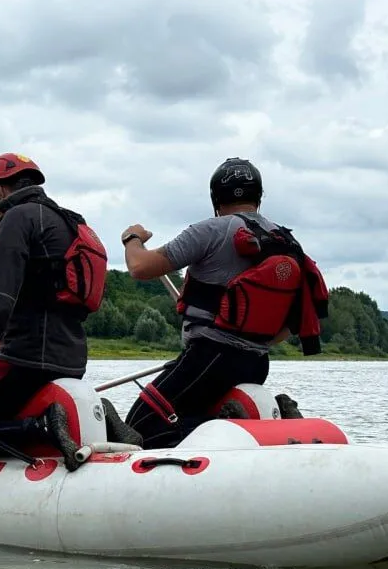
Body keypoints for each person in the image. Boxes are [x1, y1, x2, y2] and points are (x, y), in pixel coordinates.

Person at [0, 153, 130, 469]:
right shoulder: (71, 222)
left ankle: (44, 427)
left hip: (24, 360)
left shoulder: (17, 218)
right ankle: (96, 417)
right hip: (72, 361)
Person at [119, 156, 327, 448]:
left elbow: (140, 267)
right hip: (257, 363)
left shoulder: (211, 231)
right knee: (182, 419)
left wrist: (132, 238)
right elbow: (293, 323)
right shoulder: (285, 241)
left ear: (215, 198)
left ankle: (226, 420)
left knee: (139, 429)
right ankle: (263, 418)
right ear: (258, 197)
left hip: (209, 358)